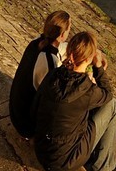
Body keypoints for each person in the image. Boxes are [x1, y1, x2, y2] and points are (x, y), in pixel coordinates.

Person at [31, 30, 116, 171]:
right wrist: (99, 67)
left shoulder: (53, 75)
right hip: (65, 162)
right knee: (112, 105)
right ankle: (103, 169)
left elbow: (36, 105)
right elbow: (108, 94)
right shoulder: (87, 90)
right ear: (89, 58)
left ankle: (98, 159)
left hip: (42, 150)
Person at [8, 10, 70, 139]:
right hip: (26, 124)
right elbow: (52, 97)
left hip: (16, 110)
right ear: (63, 34)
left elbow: (62, 47)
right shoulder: (49, 60)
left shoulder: (38, 41)